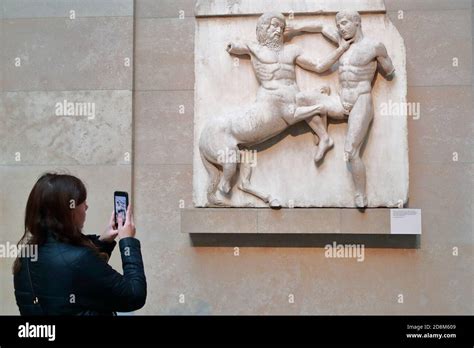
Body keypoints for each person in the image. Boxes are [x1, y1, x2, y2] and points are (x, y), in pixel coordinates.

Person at [286, 10, 395, 207]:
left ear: (356, 22)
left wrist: (385, 63)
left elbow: (389, 71)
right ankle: (323, 137)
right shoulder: (340, 41)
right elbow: (320, 27)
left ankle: (360, 194)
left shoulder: (374, 46)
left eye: (344, 23)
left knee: (351, 150)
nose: (340, 28)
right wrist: (296, 29)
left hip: (360, 101)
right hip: (339, 100)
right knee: (302, 99)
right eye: (338, 25)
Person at [13, 173, 146, 315]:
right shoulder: (79, 259)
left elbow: (72, 284)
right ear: (68, 211)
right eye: (82, 202)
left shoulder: (25, 256)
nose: (86, 207)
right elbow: (134, 295)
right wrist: (128, 242)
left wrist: (103, 242)